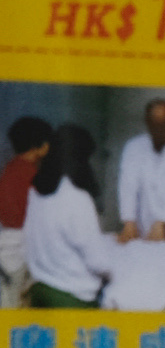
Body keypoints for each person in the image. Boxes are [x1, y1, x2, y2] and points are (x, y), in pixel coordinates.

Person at [22, 130, 109, 305]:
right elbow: (98, 262)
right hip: (72, 297)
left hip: (40, 290)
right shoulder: (77, 198)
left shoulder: (36, 191)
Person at [112, 98, 165, 247]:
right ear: (147, 123)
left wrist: (163, 222)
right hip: (139, 225)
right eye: (155, 124)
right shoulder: (133, 147)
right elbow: (128, 185)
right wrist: (129, 220)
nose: (160, 130)